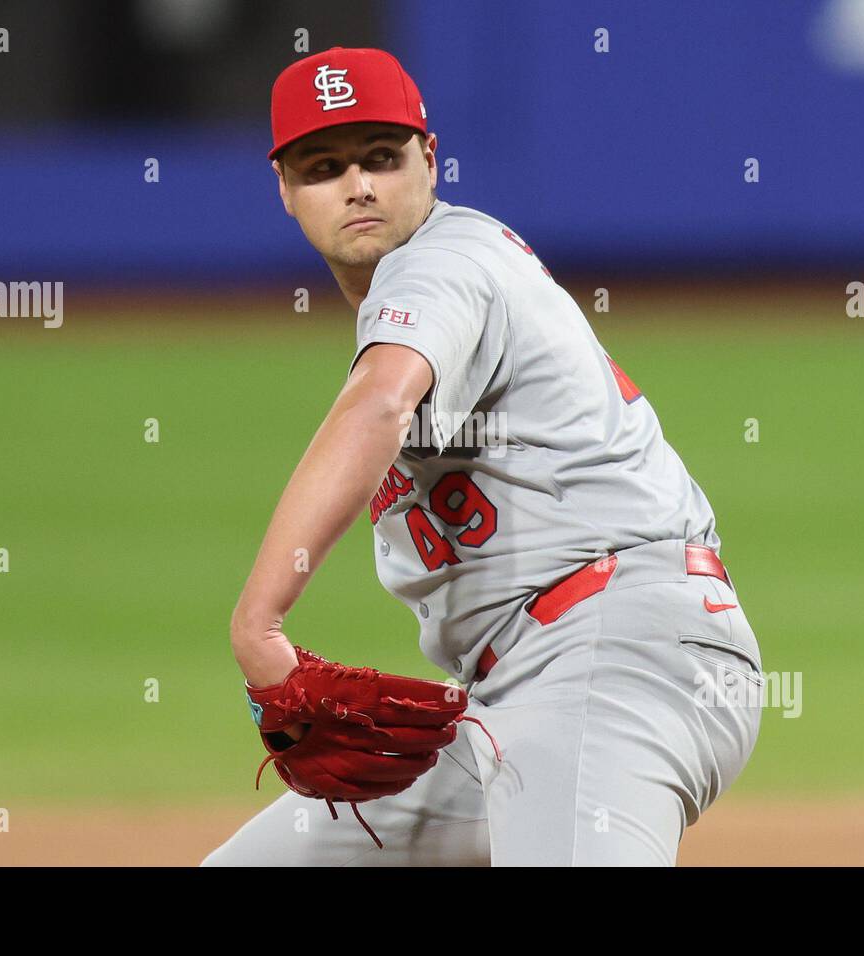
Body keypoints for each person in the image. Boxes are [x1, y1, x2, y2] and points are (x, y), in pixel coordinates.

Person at [202, 46, 764, 867]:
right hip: (520, 694)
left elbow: (381, 402)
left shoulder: (439, 265)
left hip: (615, 651)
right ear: (284, 189)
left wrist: (259, 623)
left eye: (381, 159)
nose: (358, 185)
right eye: (324, 167)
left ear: (430, 161)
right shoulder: (435, 279)